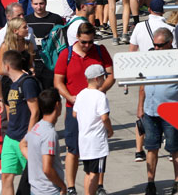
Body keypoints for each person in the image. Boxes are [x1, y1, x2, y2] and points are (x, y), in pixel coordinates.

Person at [54, 23, 113, 195]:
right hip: (74, 108)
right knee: (73, 149)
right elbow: (58, 81)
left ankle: (99, 185)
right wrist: (70, 97)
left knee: (98, 149)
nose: (87, 45)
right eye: (84, 42)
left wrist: (97, 93)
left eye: (90, 42)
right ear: (77, 38)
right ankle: (71, 187)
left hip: (96, 109)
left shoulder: (100, 51)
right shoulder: (66, 54)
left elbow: (111, 75)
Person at [138, 28, 178, 195]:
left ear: (169, 43)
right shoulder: (150, 57)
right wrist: (140, 107)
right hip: (150, 110)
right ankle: (150, 182)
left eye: (160, 45)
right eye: (155, 45)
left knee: (174, 147)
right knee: (151, 147)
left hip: (171, 111)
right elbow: (142, 84)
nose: (156, 48)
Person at [0, 50, 40, 195]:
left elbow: (35, 111)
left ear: (7, 66)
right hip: (10, 137)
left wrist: (28, 137)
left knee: (33, 178)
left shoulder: (27, 83)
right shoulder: (12, 84)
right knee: (6, 176)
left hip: (24, 138)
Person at [73, 64, 113, 195]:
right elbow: (104, 117)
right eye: (103, 77)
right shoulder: (100, 96)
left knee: (88, 172)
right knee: (95, 173)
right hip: (97, 142)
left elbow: (74, 113)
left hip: (84, 140)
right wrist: (110, 130)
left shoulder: (81, 94)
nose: (104, 80)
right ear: (97, 79)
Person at [22, 87, 67, 195]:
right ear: (57, 105)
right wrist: (63, 186)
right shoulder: (49, 134)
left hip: (35, 190)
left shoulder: (36, 127)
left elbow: (22, 145)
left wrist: (35, 160)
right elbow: (47, 169)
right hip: (49, 191)